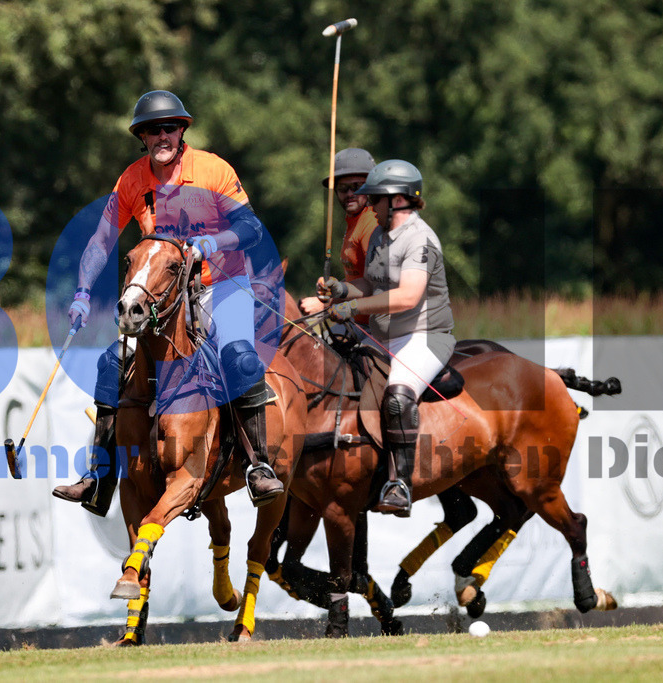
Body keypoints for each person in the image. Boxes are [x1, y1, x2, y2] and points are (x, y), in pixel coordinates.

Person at [53, 89, 284, 508]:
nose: (161, 136)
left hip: (221, 284)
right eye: (152, 130)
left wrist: (214, 243)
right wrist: (83, 292)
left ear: (181, 131)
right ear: (141, 137)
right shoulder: (131, 180)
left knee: (239, 356)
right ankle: (98, 478)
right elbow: (101, 241)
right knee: (112, 364)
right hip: (162, 296)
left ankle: (258, 465)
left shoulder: (213, 170)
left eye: (169, 128)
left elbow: (251, 227)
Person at [317, 160, 456, 517]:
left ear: (396, 200)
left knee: (397, 396)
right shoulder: (380, 235)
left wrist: (354, 307)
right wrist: (342, 290)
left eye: (375, 199)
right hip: (384, 337)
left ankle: (399, 483)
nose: (369, 205)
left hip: (424, 336)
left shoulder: (420, 238)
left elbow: (408, 296)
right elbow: (371, 283)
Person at [299, 148, 379, 317]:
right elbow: (355, 279)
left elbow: (375, 285)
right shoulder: (354, 222)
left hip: (372, 325)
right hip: (352, 320)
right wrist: (332, 290)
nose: (350, 194)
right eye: (343, 188)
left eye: (357, 187)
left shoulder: (371, 224)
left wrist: (325, 305)